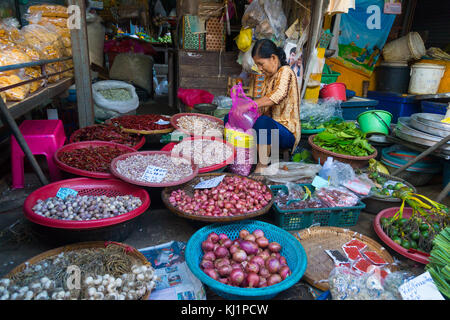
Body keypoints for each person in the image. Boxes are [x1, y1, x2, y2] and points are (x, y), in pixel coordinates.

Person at [225, 39, 301, 176]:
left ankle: (261, 167)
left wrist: (250, 105)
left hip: (286, 131)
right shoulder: (268, 78)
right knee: (230, 117)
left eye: (261, 64)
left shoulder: (286, 72)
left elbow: (278, 95)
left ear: (273, 58)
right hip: (268, 129)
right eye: (257, 65)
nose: (260, 68)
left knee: (263, 123)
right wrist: (243, 109)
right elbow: (261, 107)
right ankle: (234, 160)